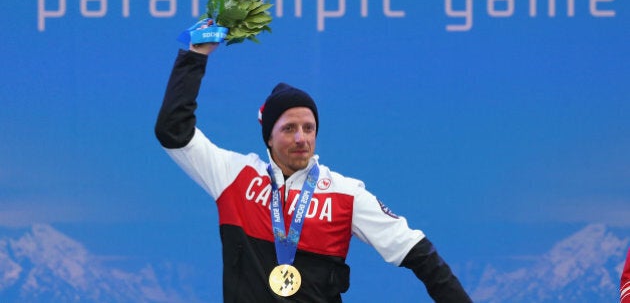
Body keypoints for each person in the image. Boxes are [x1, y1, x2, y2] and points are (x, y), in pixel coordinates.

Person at [154, 39, 472, 302]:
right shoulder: (234, 176)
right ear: (269, 135)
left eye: (309, 128)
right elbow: (173, 131)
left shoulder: (345, 194)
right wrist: (194, 57)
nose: (301, 138)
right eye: (289, 128)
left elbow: (418, 252)